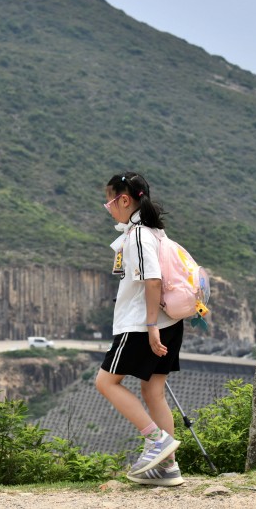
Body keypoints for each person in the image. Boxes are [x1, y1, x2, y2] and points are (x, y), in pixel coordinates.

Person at [95, 171, 184, 487]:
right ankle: (167, 468)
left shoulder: (138, 236)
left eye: (110, 198)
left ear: (124, 199)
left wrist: (149, 326)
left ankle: (156, 441)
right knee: (153, 391)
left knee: (106, 383)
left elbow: (153, 280)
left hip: (141, 324)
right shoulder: (157, 233)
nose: (108, 205)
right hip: (169, 322)